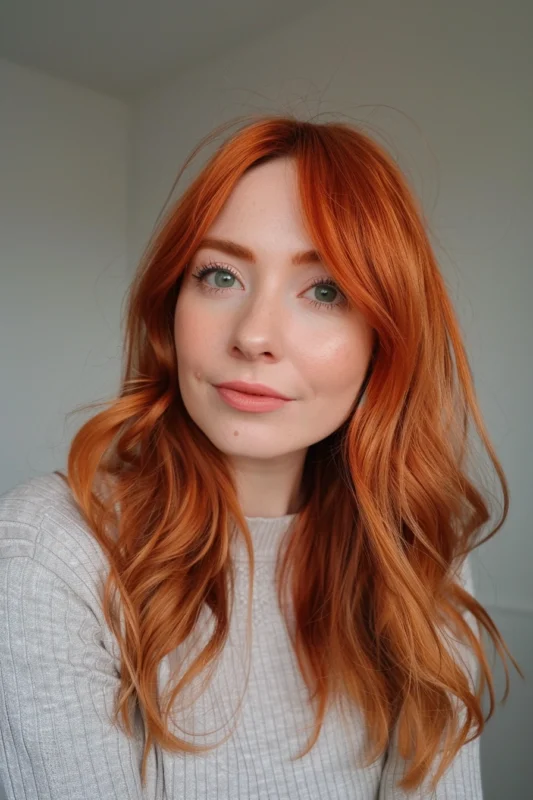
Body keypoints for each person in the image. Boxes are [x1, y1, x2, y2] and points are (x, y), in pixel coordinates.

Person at [0, 115, 521, 800]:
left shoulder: (419, 544)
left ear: (383, 341)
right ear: (170, 304)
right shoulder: (51, 547)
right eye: (218, 275)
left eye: (324, 290)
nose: (253, 335)